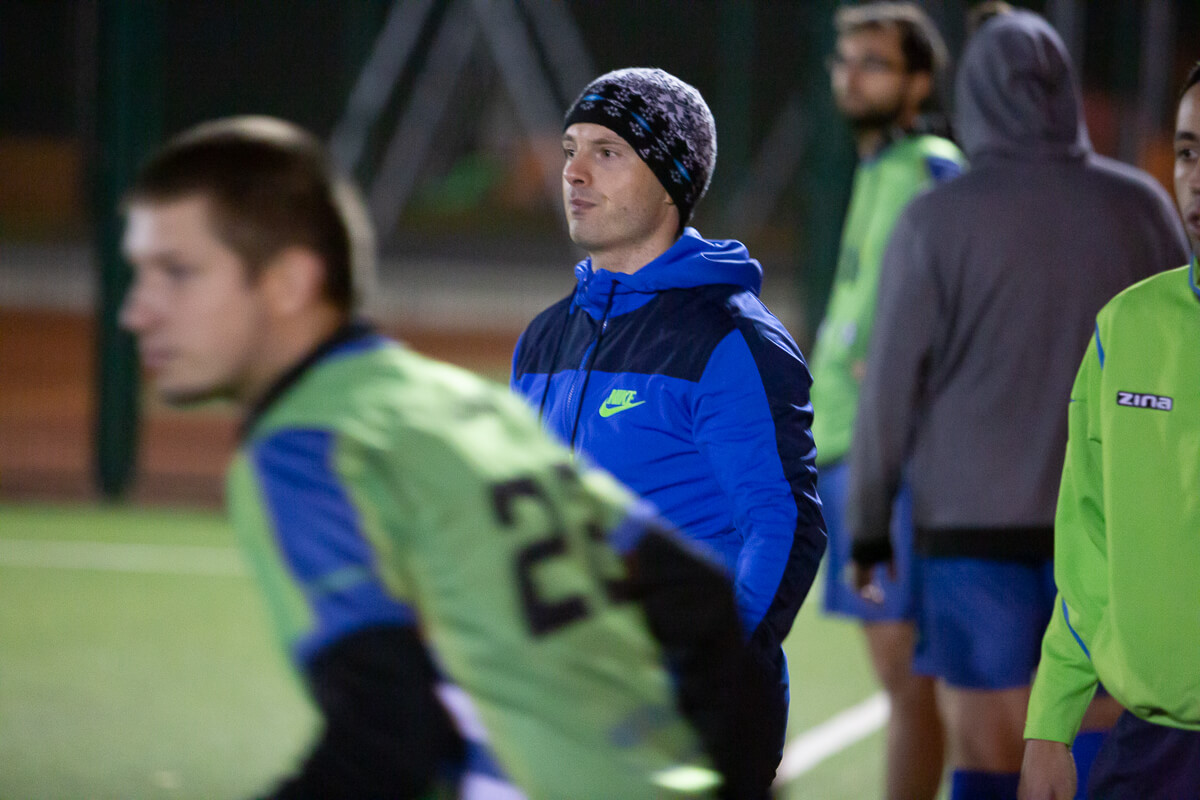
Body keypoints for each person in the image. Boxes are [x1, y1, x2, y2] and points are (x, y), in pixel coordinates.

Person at [118, 116, 778, 800]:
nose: (137, 311)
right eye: (139, 273)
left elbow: (391, 742)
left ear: (288, 282)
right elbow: (697, 602)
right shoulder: (464, 403)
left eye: (177, 273)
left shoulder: (305, 448)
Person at [848, 11, 1190, 800]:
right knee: (1105, 733)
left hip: (973, 529)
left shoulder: (936, 218)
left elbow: (889, 387)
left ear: (971, 93)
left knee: (990, 746)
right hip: (1114, 529)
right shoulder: (1141, 205)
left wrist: (868, 524)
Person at [510, 67, 826, 782]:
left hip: (685, 722)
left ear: (670, 180)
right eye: (570, 150)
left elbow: (784, 528)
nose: (574, 173)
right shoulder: (544, 337)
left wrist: (708, 676)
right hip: (563, 713)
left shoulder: (731, 339)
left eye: (607, 152)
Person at [1018, 61, 1200, 800]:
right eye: (1187, 152)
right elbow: (1086, 544)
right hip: (1150, 749)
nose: (1197, 178)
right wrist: (1050, 724)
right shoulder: (1125, 327)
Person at [809, 4, 964, 798]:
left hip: (893, 458)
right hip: (845, 448)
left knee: (911, 678)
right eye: (845, 60)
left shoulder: (932, 167)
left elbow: (971, 284)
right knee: (898, 674)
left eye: (874, 63)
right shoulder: (875, 168)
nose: (852, 76)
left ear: (918, 81)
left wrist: (921, 368)